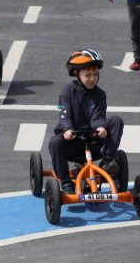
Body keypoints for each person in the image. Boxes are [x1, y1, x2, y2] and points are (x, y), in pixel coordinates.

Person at [48, 49, 125, 194]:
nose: (92, 79)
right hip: (73, 141)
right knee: (55, 142)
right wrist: (67, 129)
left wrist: (101, 127)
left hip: (93, 142)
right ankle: (65, 183)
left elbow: (98, 115)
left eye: (95, 74)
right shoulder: (68, 91)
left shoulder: (100, 94)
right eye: (87, 75)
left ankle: (107, 162)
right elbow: (64, 113)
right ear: (77, 75)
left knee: (116, 120)